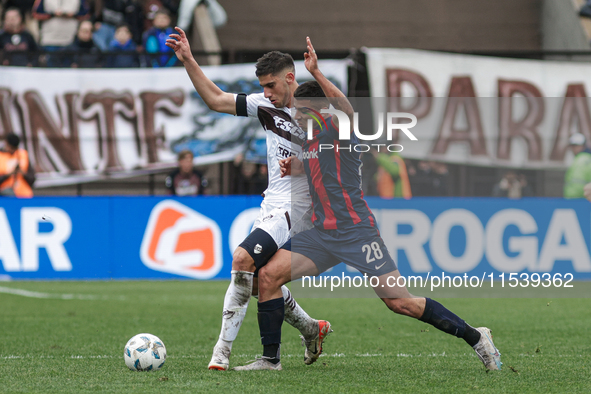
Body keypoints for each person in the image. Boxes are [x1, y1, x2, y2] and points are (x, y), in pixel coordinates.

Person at [234, 38, 502, 372]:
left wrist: (315, 72)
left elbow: (345, 109)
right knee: (268, 276)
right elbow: (319, 165)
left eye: (302, 112)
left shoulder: (337, 128)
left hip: (357, 233)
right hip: (322, 234)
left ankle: (477, 337)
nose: (296, 118)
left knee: (399, 302)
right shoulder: (311, 139)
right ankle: (270, 360)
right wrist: (296, 166)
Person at [166, 26, 328, 371]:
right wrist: (189, 61)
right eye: (262, 87)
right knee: (259, 281)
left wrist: (303, 165)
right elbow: (215, 99)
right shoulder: (265, 106)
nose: (265, 93)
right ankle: (311, 328)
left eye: (271, 85)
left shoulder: (315, 113)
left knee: (241, 259)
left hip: (298, 210)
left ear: (289, 77)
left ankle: (222, 352)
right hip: (271, 205)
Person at [32, 0, 90, 67]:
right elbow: (35, 13)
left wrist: (73, 14)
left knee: (69, 74)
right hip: (50, 41)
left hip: (70, 41)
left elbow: (86, 14)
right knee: (50, 73)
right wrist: (52, 14)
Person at [0, 133, 35, 197]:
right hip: (5, 196)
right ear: (6, 143)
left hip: (24, 195)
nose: (13, 150)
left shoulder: (23, 154)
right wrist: (8, 174)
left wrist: (22, 172)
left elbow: (32, 179)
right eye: (11, 148)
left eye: (15, 148)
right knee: (8, 192)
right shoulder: (1, 156)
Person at [564, 133, 591, 199]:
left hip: (577, 199)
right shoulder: (586, 158)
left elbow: (577, 183)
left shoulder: (580, 160)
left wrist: (572, 197)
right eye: (572, 146)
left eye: (575, 146)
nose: (573, 149)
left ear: (583, 146)